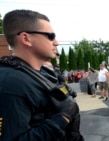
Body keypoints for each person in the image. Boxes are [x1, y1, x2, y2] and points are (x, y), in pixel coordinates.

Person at [0, 9, 83, 141]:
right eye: (50, 36)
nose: (56, 42)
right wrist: (63, 117)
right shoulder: (10, 83)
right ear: (26, 38)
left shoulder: (42, 74)